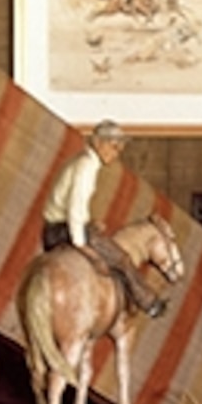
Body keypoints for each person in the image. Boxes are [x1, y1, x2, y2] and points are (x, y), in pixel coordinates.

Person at [41, 120, 150, 305]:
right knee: (121, 258)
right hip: (62, 231)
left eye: (120, 149)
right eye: (114, 147)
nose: (117, 153)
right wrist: (80, 244)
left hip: (61, 227)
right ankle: (146, 301)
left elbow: (76, 207)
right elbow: (75, 206)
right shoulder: (86, 167)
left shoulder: (85, 161)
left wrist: (89, 222)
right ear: (99, 143)